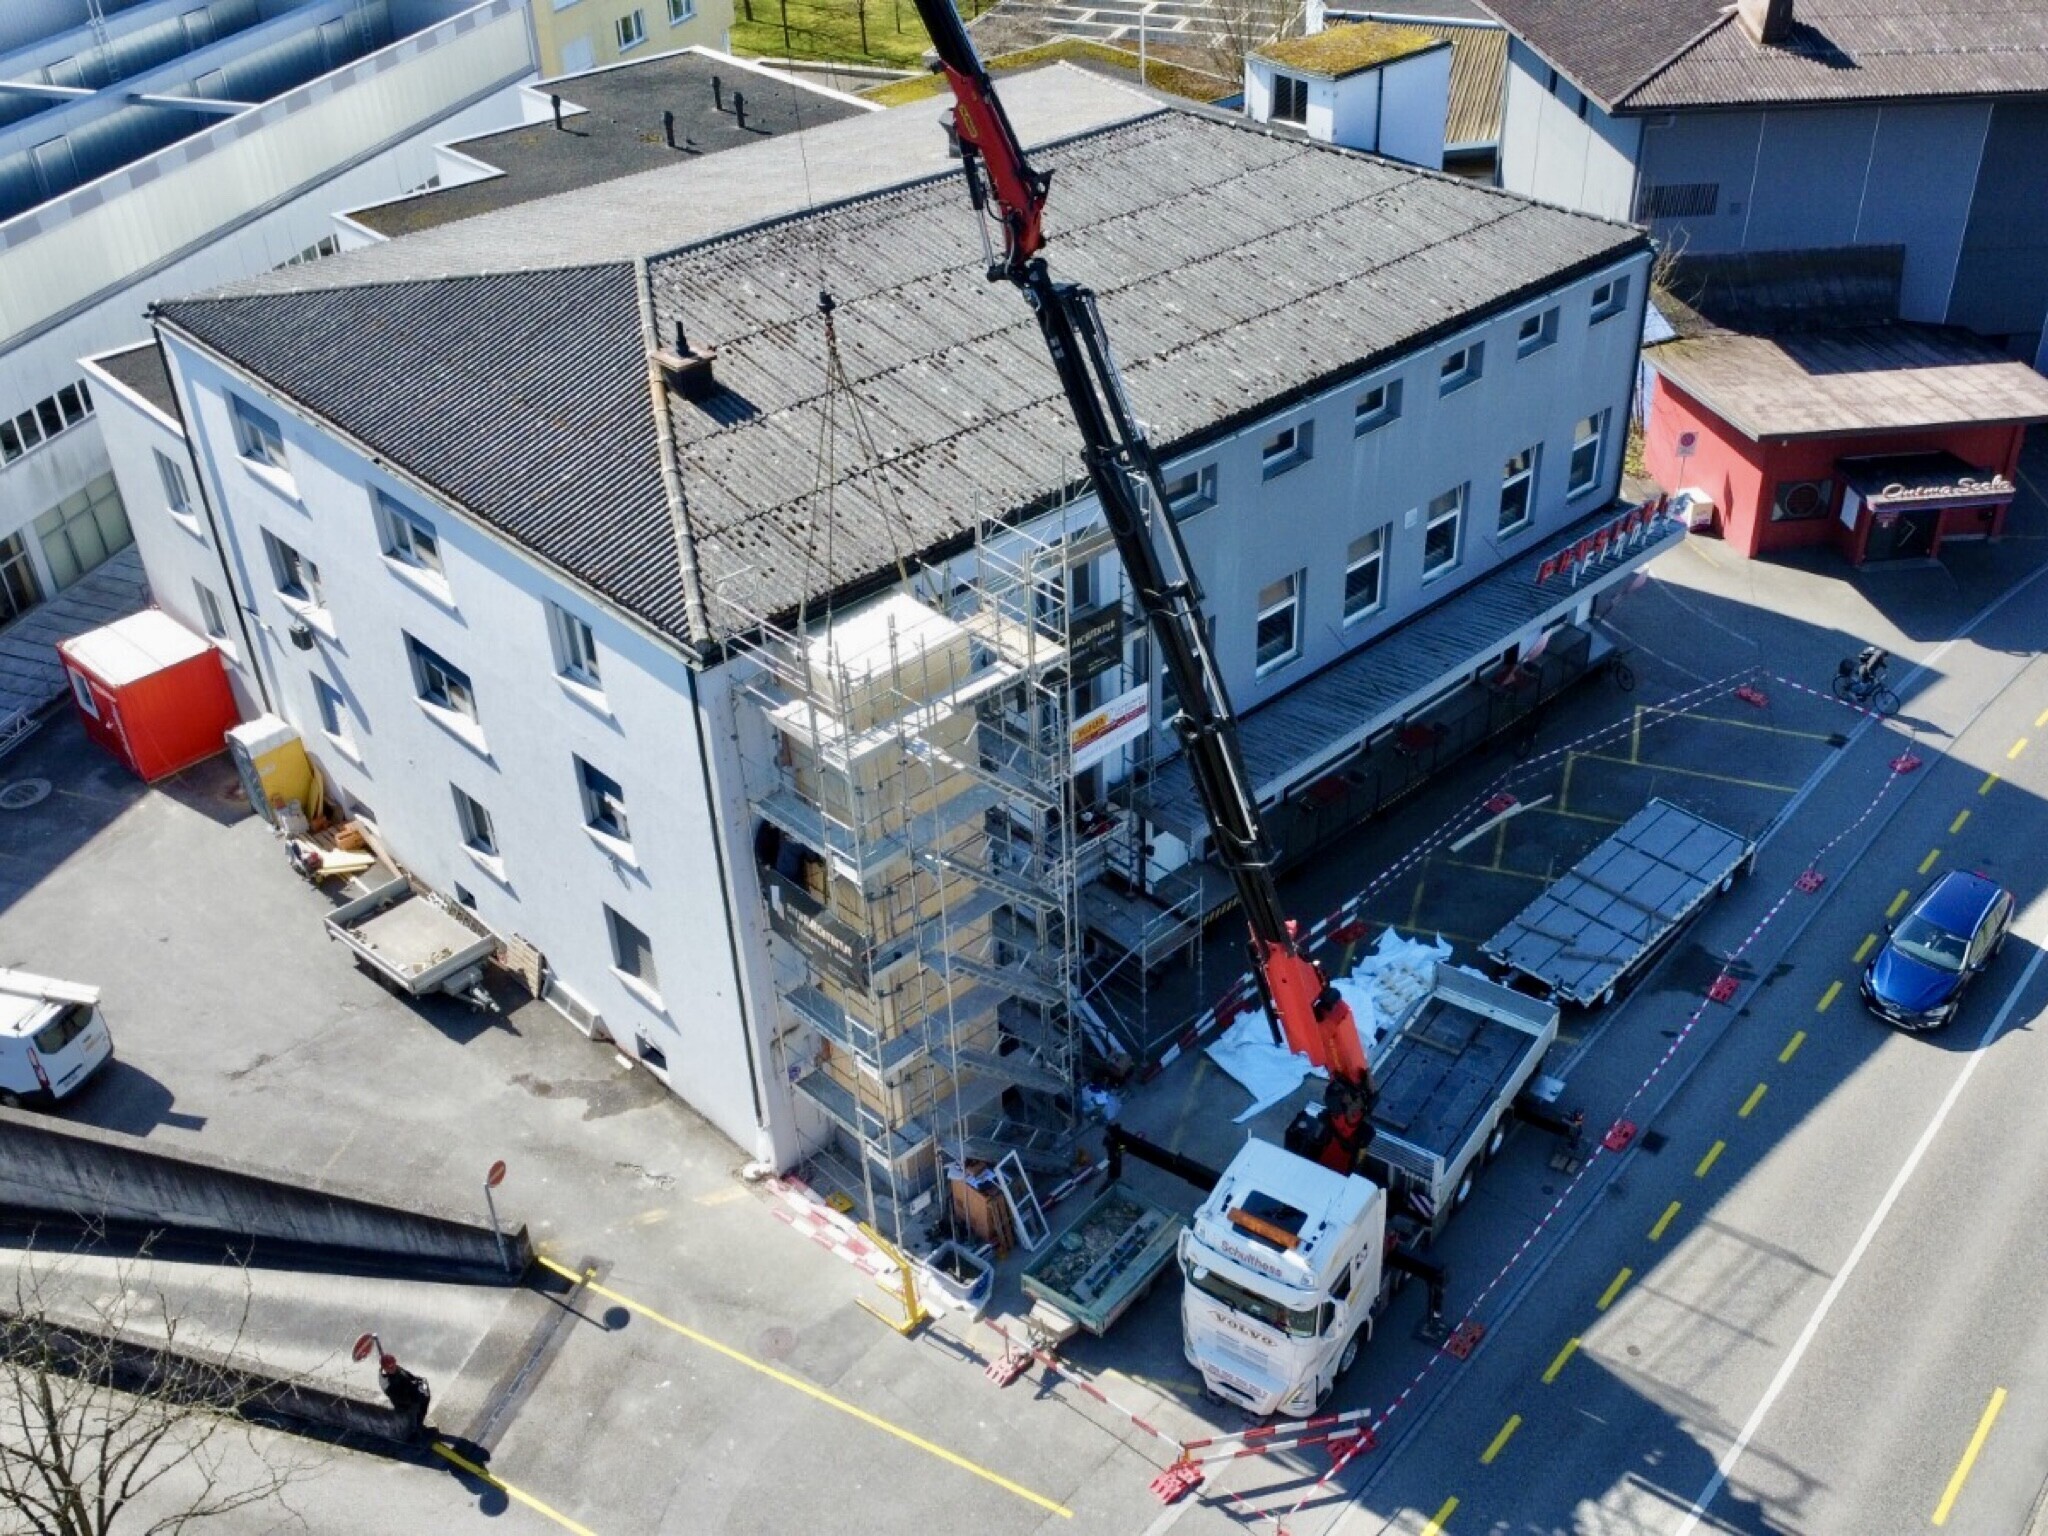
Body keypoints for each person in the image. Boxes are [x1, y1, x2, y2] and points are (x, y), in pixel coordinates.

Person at [379, 1353, 433, 1442]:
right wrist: (413, 1398)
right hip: (402, 1402)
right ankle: (414, 1432)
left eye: (394, 1364)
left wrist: (418, 1380)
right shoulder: (390, 1382)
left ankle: (420, 1424)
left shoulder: (396, 1369)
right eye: (390, 1367)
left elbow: (407, 1375)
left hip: (407, 1391)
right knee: (415, 1407)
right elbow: (398, 1397)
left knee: (425, 1398)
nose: (393, 1367)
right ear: (385, 1368)